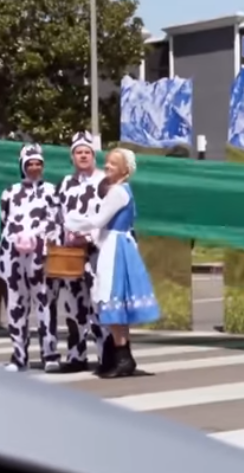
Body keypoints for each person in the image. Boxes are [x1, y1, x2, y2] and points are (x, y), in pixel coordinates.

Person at [64, 148, 161, 379]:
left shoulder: (117, 192)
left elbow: (99, 220)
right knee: (114, 302)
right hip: (115, 244)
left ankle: (121, 357)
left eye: (113, 164)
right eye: (107, 163)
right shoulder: (121, 190)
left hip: (115, 249)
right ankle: (120, 356)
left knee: (111, 299)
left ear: (125, 170)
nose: (107, 167)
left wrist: (72, 221)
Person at [0, 144, 62, 373]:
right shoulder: (10, 192)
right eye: (30, 164)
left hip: (42, 256)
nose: (34, 168)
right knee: (16, 305)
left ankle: (50, 354)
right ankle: (19, 356)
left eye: (38, 164)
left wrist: (39, 235)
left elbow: (56, 220)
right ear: (23, 166)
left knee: (45, 303)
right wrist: (17, 237)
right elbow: (4, 221)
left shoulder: (52, 191)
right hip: (14, 257)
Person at [53, 131, 112, 374]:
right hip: (71, 253)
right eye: (79, 152)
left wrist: (89, 235)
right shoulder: (66, 183)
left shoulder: (105, 182)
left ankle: (106, 356)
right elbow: (57, 216)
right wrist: (63, 238)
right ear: (73, 157)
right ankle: (76, 355)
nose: (83, 156)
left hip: (98, 250)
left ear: (93, 155)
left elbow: (111, 216)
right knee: (73, 305)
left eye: (87, 152)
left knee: (99, 304)